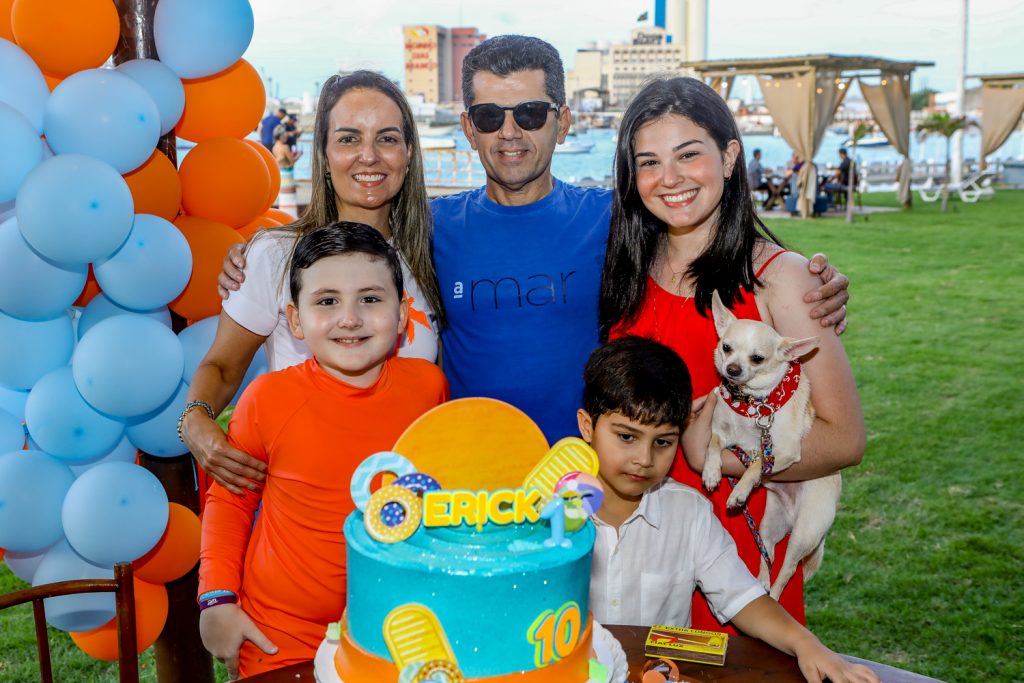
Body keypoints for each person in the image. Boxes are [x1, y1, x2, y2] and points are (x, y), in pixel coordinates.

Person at [218, 35, 849, 453]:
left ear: (564, 120)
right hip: (462, 483)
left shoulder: (614, 219)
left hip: (591, 481)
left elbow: (706, 222)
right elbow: (353, 249)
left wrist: (806, 277)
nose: (511, 132)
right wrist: (259, 252)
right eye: (490, 116)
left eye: (533, 113)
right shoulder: (426, 231)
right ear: (468, 127)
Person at [600, 76, 865, 631]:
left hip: (734, 552)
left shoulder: (781, 279)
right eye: (648, 162)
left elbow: (843, 438)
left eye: (688, 155)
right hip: (634, 551)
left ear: (729, 156)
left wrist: (719, 458)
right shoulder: (625, 267)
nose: (668, 178)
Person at [197, 222, 448, 679]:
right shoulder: (265, 400)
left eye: (370, 299)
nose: (349, 318)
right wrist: (216, 600)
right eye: (327, 301)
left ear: (402, 313)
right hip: (279, 633)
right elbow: (230, 499)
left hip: (393, 630)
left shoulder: (429, 388)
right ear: (295, 319)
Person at [181, 70, 444, 495]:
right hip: (299, 505)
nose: (369, 156)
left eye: (387, 138)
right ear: (322, 155)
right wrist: (195, 419)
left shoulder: (432, 254)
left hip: (405, 510)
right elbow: (223, 367)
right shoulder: (275, 255)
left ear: (409, 153)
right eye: (348, 139)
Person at [579, 337, 878, 683]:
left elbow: (744, 598)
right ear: (588, 426)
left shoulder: (688, 513)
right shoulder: (546, 514)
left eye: (663, 442)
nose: (643, 459)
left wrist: (805, 644)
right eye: (627, 437)